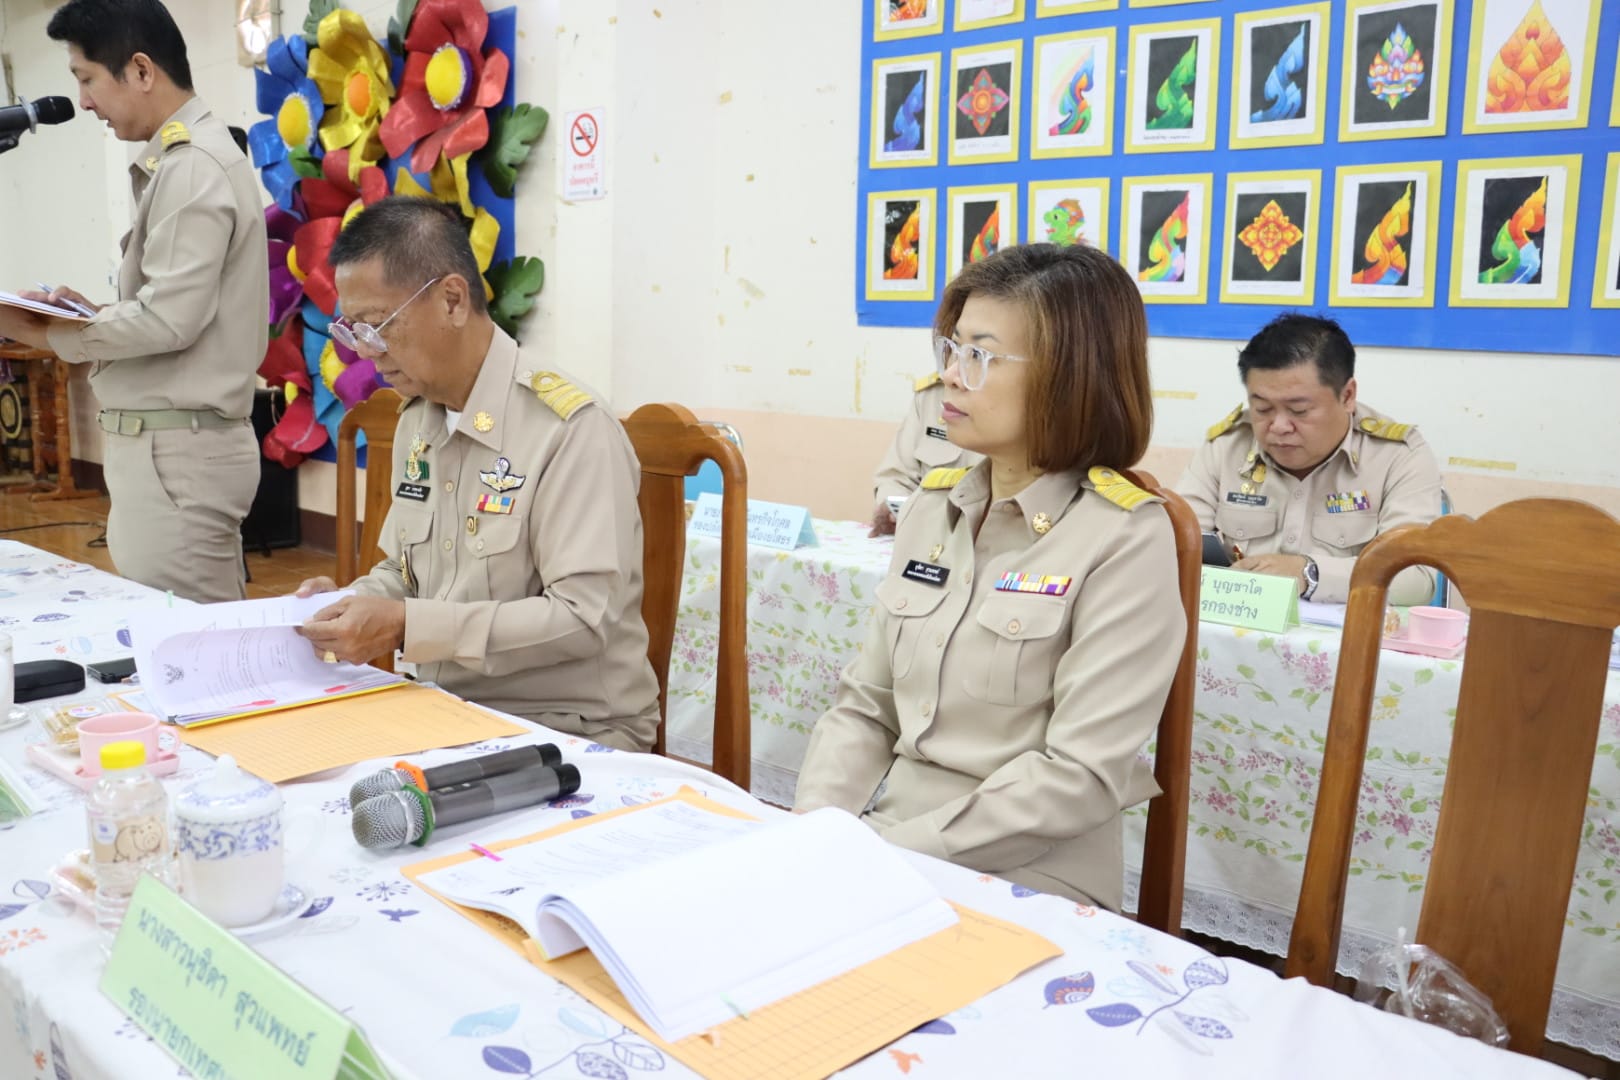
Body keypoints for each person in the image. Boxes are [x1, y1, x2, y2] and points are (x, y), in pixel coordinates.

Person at [795, 244, 1185, 909]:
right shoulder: (933, 506)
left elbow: (1077, 777)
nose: (950, 376)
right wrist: (816, 832)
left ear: (1068, 376)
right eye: (951, 350)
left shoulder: (1123, 536)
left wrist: (887, 858)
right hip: (880, 841)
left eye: (980, 355)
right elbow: (866, 706)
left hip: (1027, 875)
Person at [292, 197, 661, 751]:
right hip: (446, 710)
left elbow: (583, 620)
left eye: (379, 326)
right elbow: (405, 572)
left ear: (452, 300)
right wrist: (347, 604)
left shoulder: (568, 430)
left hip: (566, 728)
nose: (367, 353)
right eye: (354, 332)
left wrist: (406, 624)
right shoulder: (419, 418)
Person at [0, 0, 267, 603]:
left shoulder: (193, 163)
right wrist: (90, 316)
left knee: (190, 646)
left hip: (179, 456)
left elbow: (169, 319)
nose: (84, 101)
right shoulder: (183, 158)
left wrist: (43, 332)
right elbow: (175, 307)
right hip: (168, 453)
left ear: (142, 70)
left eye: (87, 78)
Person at [1176, 313, 1442, 606]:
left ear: (1347, 396)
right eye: (1262, 409)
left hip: (1347, 632)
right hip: (1236, 628)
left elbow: (1414, 578)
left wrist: (1309, 573)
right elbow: (1174, 544)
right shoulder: (1225, 447)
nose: (1279, 426)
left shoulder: (1398, 456)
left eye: (1299, 411)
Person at [869, 374, 981, 536]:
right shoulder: (931, 396)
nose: (949, 373)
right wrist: (894, 509)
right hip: (926, 537)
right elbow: (897, 476)